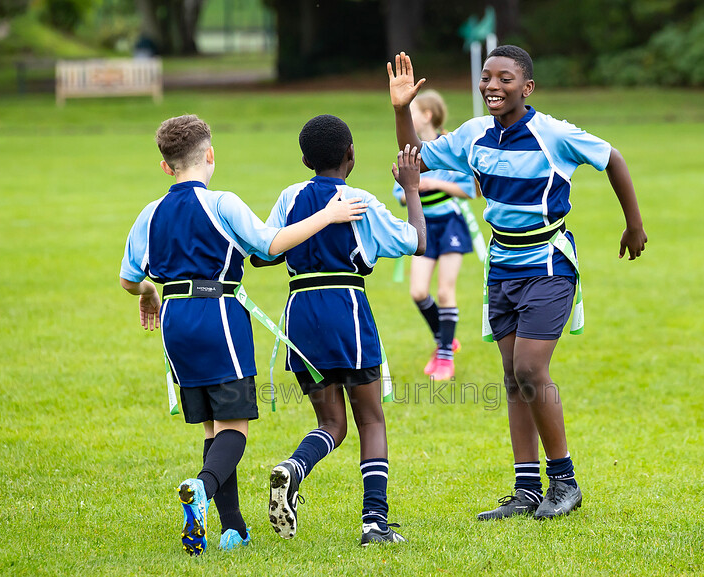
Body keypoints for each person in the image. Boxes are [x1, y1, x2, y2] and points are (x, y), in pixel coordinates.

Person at [388, 46, 647, 520]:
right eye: (487, 77)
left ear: (526, 88)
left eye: (504, 79)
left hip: (548, 262)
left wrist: (633, 224)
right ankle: (527, 488)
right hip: (502, 264)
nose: (491, 85)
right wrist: (403, 108)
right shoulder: (473, 136)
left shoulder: (552, 133)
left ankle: (564, 482)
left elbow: (613, 158)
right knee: (512, 378)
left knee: (530, 369)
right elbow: (415, 160)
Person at [119, 114, 368, 555]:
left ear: (165, 167)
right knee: (235, 427)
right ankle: (201, 488)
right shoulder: (222, 203)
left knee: (214, 426)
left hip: (175, 322)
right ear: (210, 155)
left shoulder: (149, 212)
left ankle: (233, 528)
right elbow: (271, 244)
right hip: (218, 315)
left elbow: (128, 277)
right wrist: (328, 215)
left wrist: (147, 295)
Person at [252, 114, 425, 545]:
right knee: (370, 419)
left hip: (299, 316)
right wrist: (411, 188)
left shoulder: (290, 196)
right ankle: (374, 524)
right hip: (346, 310)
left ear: (305, 158)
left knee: (332, 422)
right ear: (351, 154)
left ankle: (293, 468)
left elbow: (263, 254)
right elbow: (416, 241)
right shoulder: (359, 199)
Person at [391, 89, 477, 381]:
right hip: (423, 229)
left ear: (426, 116)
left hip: (451, 225)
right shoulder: (409, 151)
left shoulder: (449, 147)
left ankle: (444, 358)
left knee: (445, 291)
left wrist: (435, 183)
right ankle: (445, 338)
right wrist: (412, 187)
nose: (408, 117)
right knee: (418, 292)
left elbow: (470, 189)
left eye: (412, 111)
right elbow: (399, 194)